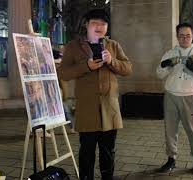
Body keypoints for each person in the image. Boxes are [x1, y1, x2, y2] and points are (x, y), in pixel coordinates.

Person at [59, 9, 132, 180]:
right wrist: (87, 66)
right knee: (87, 152)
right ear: (87, 25)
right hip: (87, 110)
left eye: (103, 24)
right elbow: (63, 74)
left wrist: (111, 61)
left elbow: (128, 68)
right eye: (95, 23)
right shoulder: (73, 46)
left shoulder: (113, 46)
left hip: (110, 110)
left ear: (107, 27)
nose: (99, 27)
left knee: (108, 152)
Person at [156, 23, 193, 176]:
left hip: (190, 96)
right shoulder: (170, 53)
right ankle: (171, 159)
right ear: (177, 36)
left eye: (188, 35)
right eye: (181, 35)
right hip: (171, 96)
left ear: (192, 36)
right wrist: (166, 65)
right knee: (170, 130)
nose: (184, 38)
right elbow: (159, 74)